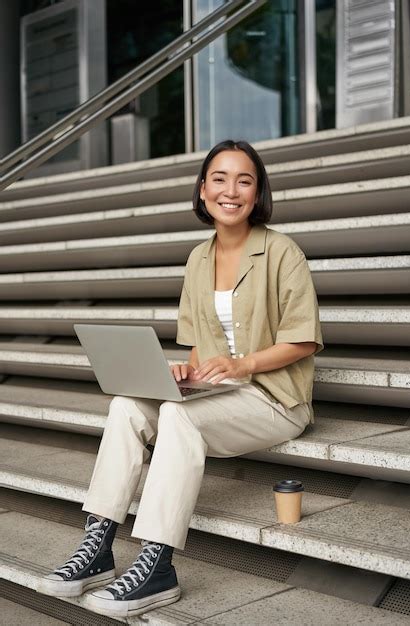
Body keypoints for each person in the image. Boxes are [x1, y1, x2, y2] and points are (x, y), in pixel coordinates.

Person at [38, 140, 323, 618]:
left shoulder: (280, 251)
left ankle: (158, 565)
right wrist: (188, 372)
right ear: (202, 188)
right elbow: (197, 341)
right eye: (219, 178)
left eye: (244, 180)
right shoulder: (198, 258)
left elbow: (305, 340)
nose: (230, 190)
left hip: (274, 398)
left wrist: (242, 365)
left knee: (176, 417)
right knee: (127, 405)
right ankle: (99, 547)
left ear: (257, 193)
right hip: (221, 392)